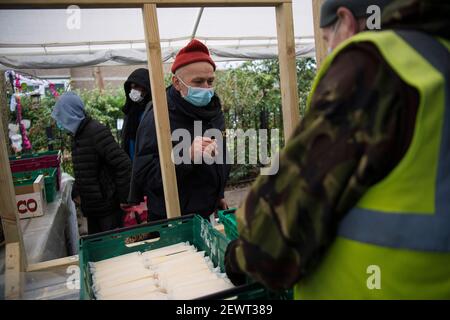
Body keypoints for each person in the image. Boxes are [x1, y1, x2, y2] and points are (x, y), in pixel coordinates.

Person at [224, 0, 450, 299]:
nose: (329, 50)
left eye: (327, 40)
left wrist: (236, 257)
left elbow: (272, 241)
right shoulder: (438, 60)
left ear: (346, 21)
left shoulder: (375, 64)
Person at [129, 39, 229, 221]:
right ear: (177, 82)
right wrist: (186, 156)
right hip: (173, 219)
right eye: (198, 82)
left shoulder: (213, 109)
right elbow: (144, 175)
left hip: (207, 211)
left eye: (210, 81)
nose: (207, 88)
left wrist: (219, 194)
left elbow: (220, 155)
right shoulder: (158, 116)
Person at [52, 92, 131, 234]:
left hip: (108, 210)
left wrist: (124, 197)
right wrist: (77, 191)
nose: (60, 123)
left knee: (112, 250)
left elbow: (123, 164)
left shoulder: (96, 132)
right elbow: (84, 169)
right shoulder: (77, 136)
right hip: (93, 209)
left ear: (70, 114)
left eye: (61, 117)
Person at [121, 68, 152, 161]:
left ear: (146, 88)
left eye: (136, 87)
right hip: (130, 160)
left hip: (146, 162)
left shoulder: (153, 111)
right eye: (131, 87)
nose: (133, 90)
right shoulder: (130, 110)